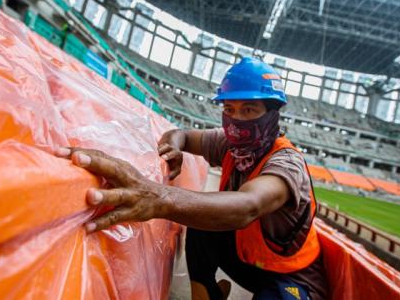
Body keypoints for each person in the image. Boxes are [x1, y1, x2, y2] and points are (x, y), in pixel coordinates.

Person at [56, 57, 327, 300]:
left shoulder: (286, 164)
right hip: (248, 259)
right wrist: (172, 147)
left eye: (248, 110)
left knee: (202, 209)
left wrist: (158, 198)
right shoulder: (230, 145)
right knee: (200, 217)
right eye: (229, 109)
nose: (236, 121)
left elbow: (249, 205)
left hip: (290, 276)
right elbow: (182, 135)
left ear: (271, 114)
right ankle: (206, 293)